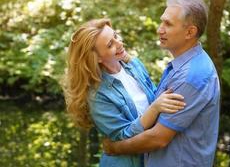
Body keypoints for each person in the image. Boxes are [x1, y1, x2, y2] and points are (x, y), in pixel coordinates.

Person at [103, 0, 221, 167]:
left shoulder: (191, 76)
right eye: (161, 21)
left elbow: (158, 138)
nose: (160, 29)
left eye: (168, 24)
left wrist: (115, 148)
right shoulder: (182, 65)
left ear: (190, 32)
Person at [64, 18, 186, 167]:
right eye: (110, 45)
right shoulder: (96, 95)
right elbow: (122, 136)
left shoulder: (133, 65)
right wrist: (155, 108)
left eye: (115, 36)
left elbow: (155, 94)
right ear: (97, 58)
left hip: (153, 159)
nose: (119, 43)